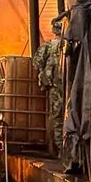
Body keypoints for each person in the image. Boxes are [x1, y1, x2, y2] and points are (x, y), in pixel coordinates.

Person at [34, 19, 67, 154]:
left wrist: (44, 72)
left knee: (57, 117)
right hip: (70, 86)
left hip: (55, 86)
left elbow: (36, 62)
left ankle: (60, 150)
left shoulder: (48, 46)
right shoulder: (70, 44)